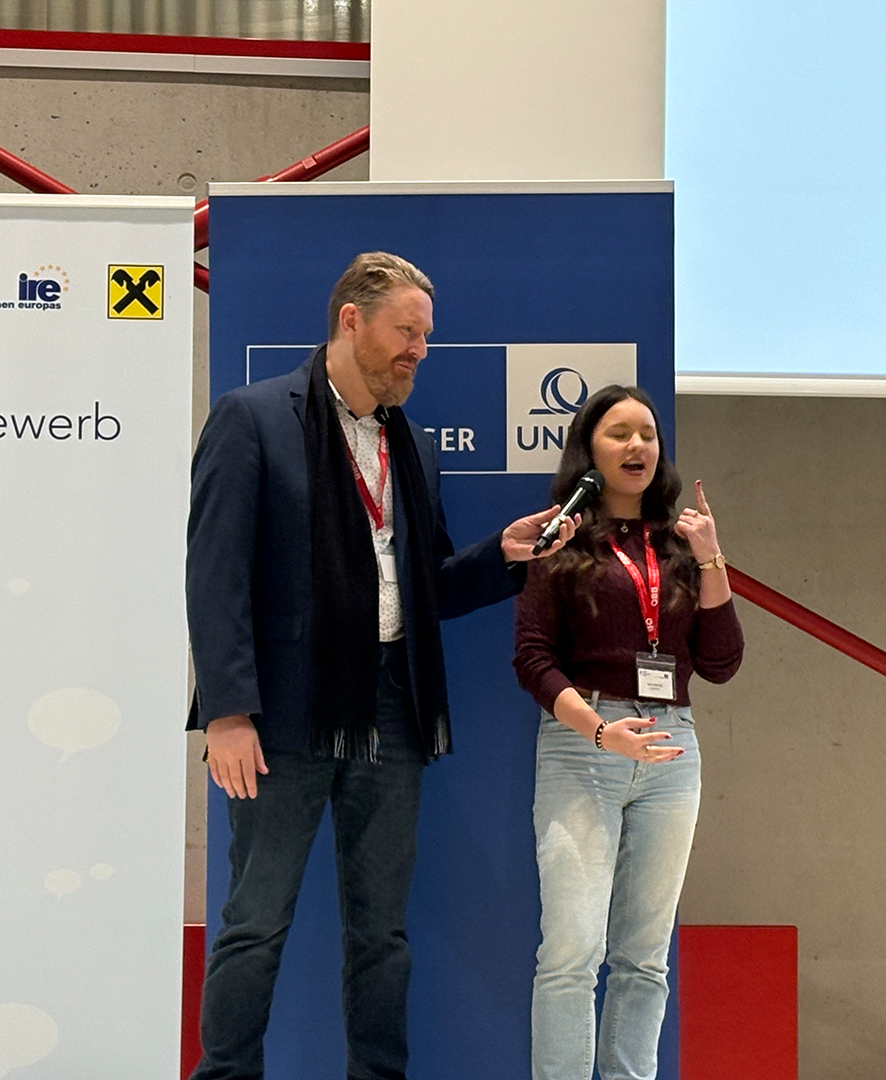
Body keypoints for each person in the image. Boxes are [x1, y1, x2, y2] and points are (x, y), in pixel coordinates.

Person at [186, 251, 577, 1080]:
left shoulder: (413, 445)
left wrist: (504, 556)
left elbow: (427, 584)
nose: (418, 352)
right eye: (407, 332)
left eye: (425, 337)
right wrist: (226, 711)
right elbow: (216, 575)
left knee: (382, 934)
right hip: (281, 716)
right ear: (351, 321)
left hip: (394, 709)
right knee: (255, 924)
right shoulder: (252, 419)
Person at [512, 385, 744, 1080]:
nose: (637, 445)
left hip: (672, 749)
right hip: (584, 743)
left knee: (645, 957)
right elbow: (532, 660)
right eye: (619, 434)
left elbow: (721, 662)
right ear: (589, 451)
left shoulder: (680, 547)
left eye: (647, 433)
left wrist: (711, 559)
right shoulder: (561, 541)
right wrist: (598, 731)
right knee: (571, 953)